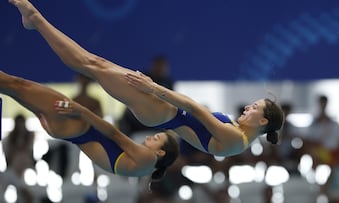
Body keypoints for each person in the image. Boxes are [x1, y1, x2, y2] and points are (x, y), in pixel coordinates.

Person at [10, 0, 284, 157]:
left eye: (254, 108)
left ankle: (36, 20)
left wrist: (153, 87)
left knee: (90, 65)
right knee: (95, 63)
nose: (248, 107)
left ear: (262, 121)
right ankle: (36, 21)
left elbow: (195, 108)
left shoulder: (237, 141)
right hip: (162, 109)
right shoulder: (237, 133)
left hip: (161, 112)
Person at [0, 70, 179, 180]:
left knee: (16, 85)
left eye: (155, 138)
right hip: (67, 128)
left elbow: (114, 134)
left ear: (160, 152)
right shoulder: (142, 169)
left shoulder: (148, 160)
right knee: (13, 88)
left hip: (71, 123)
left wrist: (81, 110)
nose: (149, 137)